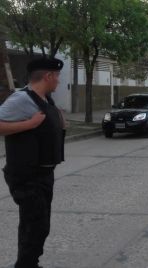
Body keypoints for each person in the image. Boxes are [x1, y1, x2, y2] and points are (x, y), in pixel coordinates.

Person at [0, 58, 65, 268]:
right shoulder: (21, 99)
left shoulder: (45, 98)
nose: (59, 81)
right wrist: (29, 124)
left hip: (43, 173)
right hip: (26, 175)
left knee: (38, 226)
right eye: (57, 76)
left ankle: (29, 263)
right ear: (48, 76)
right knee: (34, 225)